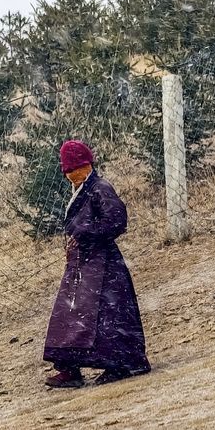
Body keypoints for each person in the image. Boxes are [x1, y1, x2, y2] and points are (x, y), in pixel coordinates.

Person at [43, 139, 151, 388]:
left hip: (104, 264)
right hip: (83, 264)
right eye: (67, 171)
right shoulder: (83, 189)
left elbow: (117, 221)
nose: (70, 175)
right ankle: (70, 368)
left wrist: (85, 233)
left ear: (87, 165)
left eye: (74, 169)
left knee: (106, 315)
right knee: (71, 314)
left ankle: (122, 364)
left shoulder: (100, 188)